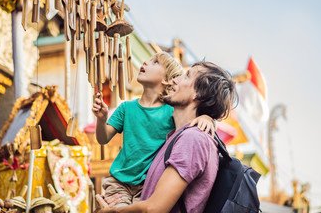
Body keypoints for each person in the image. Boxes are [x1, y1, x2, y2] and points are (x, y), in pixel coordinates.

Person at [99, 61, 238, 213]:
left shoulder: (193, 139)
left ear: (198, 94)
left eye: (186, 76)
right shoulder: (176, 136)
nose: (174, 79)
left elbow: (154, 209)